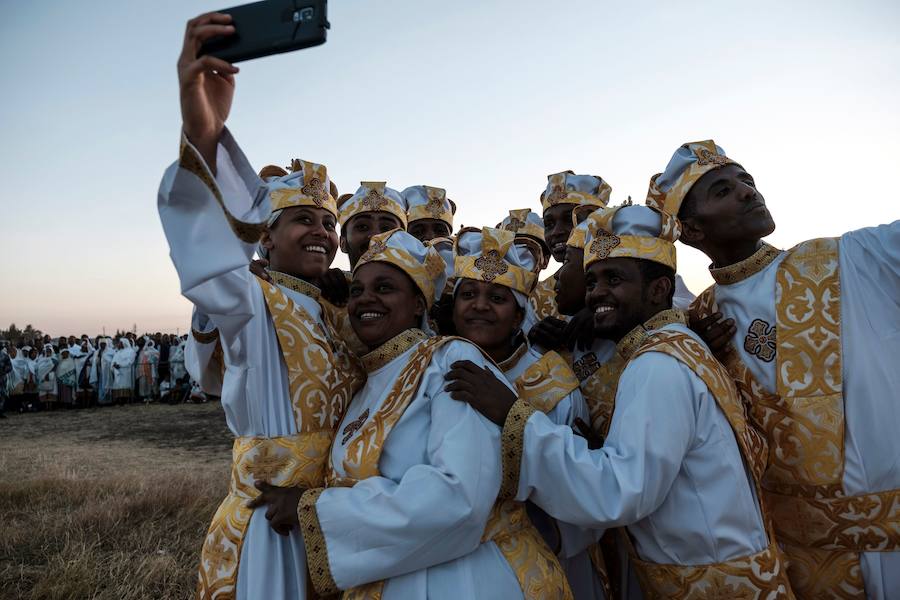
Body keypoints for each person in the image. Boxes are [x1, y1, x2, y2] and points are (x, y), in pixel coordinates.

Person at [447, 204, 794, 598]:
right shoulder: (676, 347)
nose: (596, 294)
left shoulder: (658, 365)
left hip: (709, 583)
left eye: (614, 279)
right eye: (592, 280)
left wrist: (512, 416)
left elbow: (618, 492)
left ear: (660, 290)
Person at [160, 16, 365, 596]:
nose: (323, 233)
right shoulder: (251, 297)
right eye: (304, 219)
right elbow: (204, 255)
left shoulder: (336, 311)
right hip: (273, 519)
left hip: (330, 515)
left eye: (329, 222)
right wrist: (205, 129)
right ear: (265, 238)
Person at [252, 229, 572, 598]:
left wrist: (314, 508)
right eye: (357, 290)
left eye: (384, 288)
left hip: (469, 582)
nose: (366, 299)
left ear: (419, 304)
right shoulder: (364, 378)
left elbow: (460, 497)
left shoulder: (451, 360)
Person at [648, 140, 900, 599]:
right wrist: (699, 358)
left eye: (747, 180)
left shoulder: (850, 260)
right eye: (723, 190)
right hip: (800, 563)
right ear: (691, 231)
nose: (747, 191)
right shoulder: (697, 324)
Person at [452, 226, 603, 599]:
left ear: (520, 315)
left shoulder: (554, 383)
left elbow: (584, 480)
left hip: (541, 560)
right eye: (468, 294)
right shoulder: (436, 368)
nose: (480, 306)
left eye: (497, 297)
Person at [529, 171, 611, 350]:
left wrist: (602, 309)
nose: (556, 231)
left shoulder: (635, 274)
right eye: (549, 224)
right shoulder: (537, 296)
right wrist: (533, 336)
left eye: (569, 220)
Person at [110, 338, 136, 405]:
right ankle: (119, 400)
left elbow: (130, 361)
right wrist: (114, 365)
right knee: (118, 385)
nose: (119, 344)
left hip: (126, 371)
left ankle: (125, 400)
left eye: (120, 343)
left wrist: (120, 365)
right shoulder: (118, 352)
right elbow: (113, 360)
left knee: (125, 385)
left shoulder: (130, 351)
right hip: (117, 372)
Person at [35, 344, 58, 410]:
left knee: (51, 391)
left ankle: (50, 406)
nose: (48, 352)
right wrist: (42, 375)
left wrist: (48, 373)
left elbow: (55, 367)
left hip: (51, 377)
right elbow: (37, 368)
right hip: (42, 378)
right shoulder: (41, 359)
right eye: (47, 351)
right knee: (44, 391)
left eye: (49, 351)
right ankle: (46, 406)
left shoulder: (54, 359)